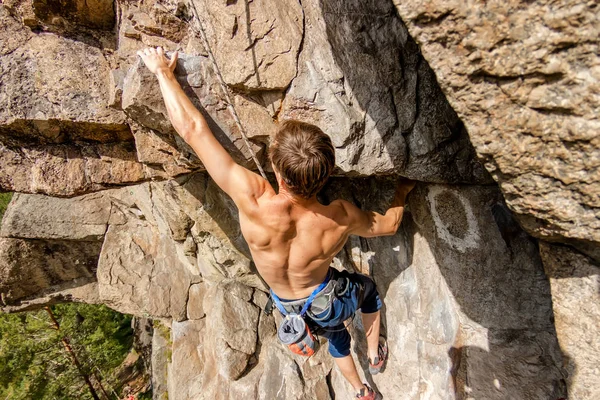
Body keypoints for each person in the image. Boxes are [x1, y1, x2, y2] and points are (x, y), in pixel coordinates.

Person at [137, 47, 415, 400]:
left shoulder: (253, 199)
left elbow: (192, 130)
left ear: (278, 171)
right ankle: (375, 355)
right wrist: (402, 191)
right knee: (367, 291)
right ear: (328, 173)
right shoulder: (339, 217)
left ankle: (361, 390)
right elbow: (389, 225)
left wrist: (163, 72)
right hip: (325, 301)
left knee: (338, 340)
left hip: (287, 307)